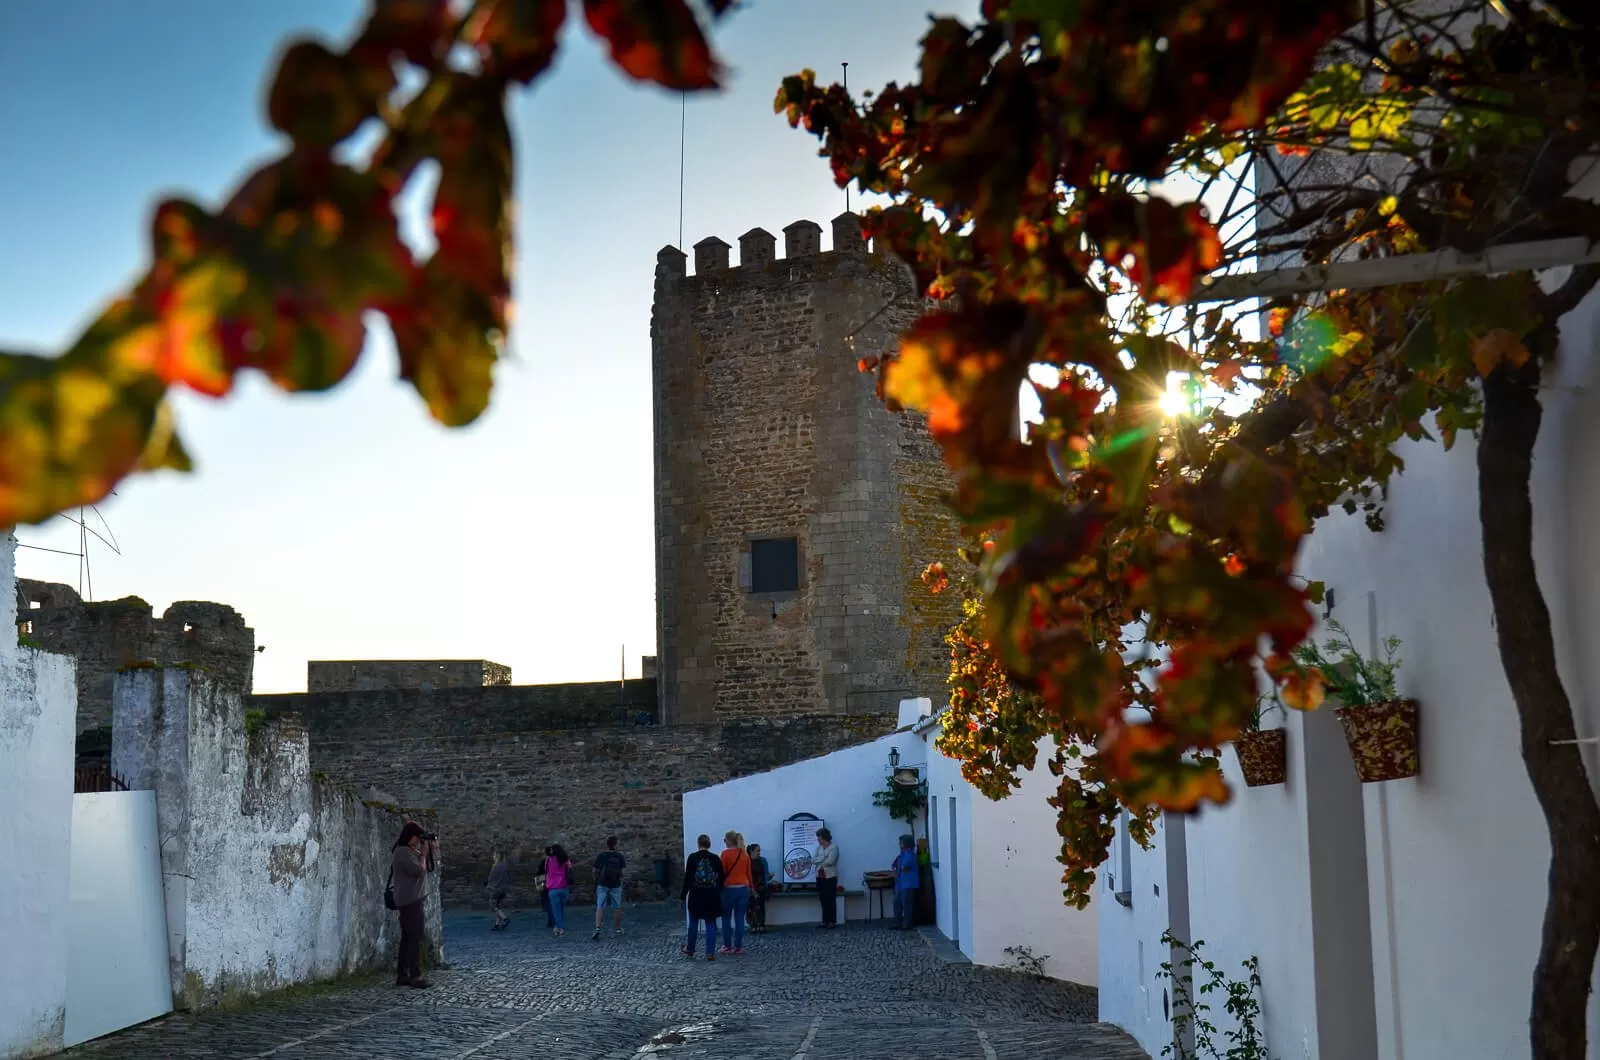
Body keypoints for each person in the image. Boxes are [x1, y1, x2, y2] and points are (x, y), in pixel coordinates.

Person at [391, 821, 438, 988]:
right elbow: (419, 871)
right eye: (417, 837)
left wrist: (429, 851)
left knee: (407, 938)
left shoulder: (410, 851)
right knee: (415, 938)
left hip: (413, 899)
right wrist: (424, 855)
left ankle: (402, 974)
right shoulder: (402, 852)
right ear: (409, 836)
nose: (418, 841)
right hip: (410, 900)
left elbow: (428, 868)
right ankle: (415, 976)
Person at [680, 833, 724, 960]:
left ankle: (690, 949)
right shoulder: (715, 858)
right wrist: (718, 891)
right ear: (709, 844)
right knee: (710, 923)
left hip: (696, 894)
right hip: (711, 895)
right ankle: (710, 952)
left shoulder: (692, 858)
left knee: (693, 922)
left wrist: (683, 895)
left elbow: (688, 878)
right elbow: (721, 877)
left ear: (698, 844)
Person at [719, 830, 752, 955]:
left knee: (726, 917)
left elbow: (722, 873)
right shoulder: (744, 854)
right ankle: (738, 947)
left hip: (729, 889)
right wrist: (751, 887)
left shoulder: (725, 854)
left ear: (728, 840)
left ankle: (727, 946)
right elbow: (748, 873)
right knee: (739, 918)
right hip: (743, 888)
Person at [592, 835, 626, 939]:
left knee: (600, 906)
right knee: (617, 907)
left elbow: (594, 870)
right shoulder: (619, 856)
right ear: (616, 844)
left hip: (602, 884)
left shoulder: (601, 855)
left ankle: (597, 928)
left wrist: (596, 880)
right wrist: (620, 879)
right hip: (615, 885)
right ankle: (618, 928)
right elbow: (623, 872)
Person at [891, 834, 920, 930]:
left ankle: (907, 924)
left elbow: (904, 867)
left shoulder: (909, 854)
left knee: (906, 905)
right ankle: (897, 922)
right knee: (896, 902)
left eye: (901, 842)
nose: (899, 844)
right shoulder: (903, 854)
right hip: (901, 883)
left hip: (908, 884)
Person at [544, 843, 573, 937]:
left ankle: (560, 928)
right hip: (564, 887)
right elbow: (570, 868)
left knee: (555, 910)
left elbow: (546, 870)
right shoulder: (565, 860)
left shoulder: (549, 860)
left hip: (553, 888)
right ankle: (558, 926)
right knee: (560, 909)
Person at [814, 827, 840, 929]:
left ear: (825, 838)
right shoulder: (818, 848)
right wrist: (823, 858)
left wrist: (819, 860)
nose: (818, 841)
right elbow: (812, 859)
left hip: (830, 877)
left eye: (819, 839)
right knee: (823, 899)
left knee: (830, 899)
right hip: (820, 877)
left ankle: (832, 921)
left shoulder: (834, 848)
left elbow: (831, 861)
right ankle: (825, 920)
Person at [747, 842, 772, 935]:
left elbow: (766, 875)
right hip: (750, 887)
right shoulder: (747, 861)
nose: (759, 852)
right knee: (751, 907)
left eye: (759, 850)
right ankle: (753, 925)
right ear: (751, 851)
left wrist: (770, 876)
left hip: (761, 887)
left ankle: (761, 925)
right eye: (757, 850)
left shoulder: (763, 860)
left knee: (761, 906)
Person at [486, 849, 510, 932]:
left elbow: (491, 877)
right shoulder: (504, 865)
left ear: (496, 856)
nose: (493, 857)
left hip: (495, 889)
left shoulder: (495, 866)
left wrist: (489, 885)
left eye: (493, 855)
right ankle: (497, 924)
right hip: (503, 889)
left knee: (493, 906)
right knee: (498, 906)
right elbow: (506, 878)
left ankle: (505, 919)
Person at [536, 845, 554, 930]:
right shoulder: (555, 861)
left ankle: (551, 920)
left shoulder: (544, 861)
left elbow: (539, 873)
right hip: (554, 883)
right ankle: (553, 920)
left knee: (547, 902)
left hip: (545, 882)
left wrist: (539, 884)